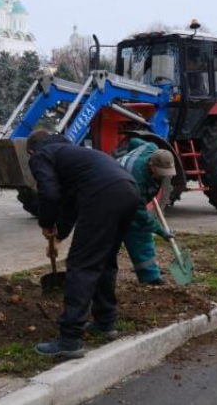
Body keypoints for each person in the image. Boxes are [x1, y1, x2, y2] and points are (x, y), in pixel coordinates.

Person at [26, 129, 139, 358]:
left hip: (103, 194)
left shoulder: (41, 155)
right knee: (105, 260)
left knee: (81, 265)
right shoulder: (72, 153)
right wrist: (59, 236)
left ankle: (69, 339)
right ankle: (106, 322)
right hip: (129, 189)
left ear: (30, 151)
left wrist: (46, 222)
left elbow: (49, 195)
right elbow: (70, 204)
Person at [117, 139, 176, 285]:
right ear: (151, 165)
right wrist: (161, 231)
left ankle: (150, 276)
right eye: (161, 173)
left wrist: (127, 154)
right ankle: (96, 276)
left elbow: (134, 141)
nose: (163, 176)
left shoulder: (151, 146)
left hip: (125, 187)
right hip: (113, 194)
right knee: (137, 229)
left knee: (139, 231)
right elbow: (141, 215)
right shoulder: (137, 180)